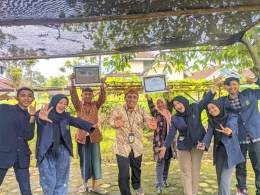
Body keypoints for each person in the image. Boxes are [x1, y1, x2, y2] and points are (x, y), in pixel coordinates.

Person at [159, 75, 223, 195]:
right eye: (175, 105)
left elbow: (205, 101)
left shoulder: (195, 108)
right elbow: (172, 132)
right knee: (186, 171)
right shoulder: (175, 117)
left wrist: (214, 86)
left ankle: (193, 193)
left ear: (183, 102)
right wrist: (165, 146)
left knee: (195, 170)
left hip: (198, 143)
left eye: (179, 103)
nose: (178, 106)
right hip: (183, 145)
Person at [35, 94, 106, 195]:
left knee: (62, 180)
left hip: (62, 151)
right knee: (48, 182)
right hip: (46, 152)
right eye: (60, 103)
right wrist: (40, 117)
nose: (62, 106)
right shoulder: (44, 114)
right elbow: (39, 118)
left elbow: (78, 122)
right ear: (54, 102)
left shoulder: (66, 116)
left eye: (65, 104)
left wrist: (93, 125)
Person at [109, 88, 157, 195]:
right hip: (121, 146)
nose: (132, 99)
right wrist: (114, 124)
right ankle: (125, 193)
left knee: (136, 168)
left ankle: (136, 185)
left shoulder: (141, 110)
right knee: (123, 174)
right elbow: (112, 120)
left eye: (134, 97)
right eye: (129, 97)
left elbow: (148, 120)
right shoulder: (118, 110)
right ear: (125, 98)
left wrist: (150, 125)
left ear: (137, 99)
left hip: (137, 146)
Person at [218, 76, 260, 195]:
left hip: (255, 135)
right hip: (239, 137)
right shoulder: (223, 101)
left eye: (234, 84)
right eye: (229, 85)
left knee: (258, 166)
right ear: (225, 87)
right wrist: (215, 86)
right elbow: (209, 104)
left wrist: (257, 80)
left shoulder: (250, 93)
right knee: (240, 166)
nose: (232, 87)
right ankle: (242, 190)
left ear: (238, 85)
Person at [197, 99, 244, 195]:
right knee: (220, 178)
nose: (211, 110)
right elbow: (208, 134)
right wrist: (203, 144)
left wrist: (229, 130)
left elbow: (232, 124)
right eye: (209, 109)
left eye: (213, 107)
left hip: (231, 153)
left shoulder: (232, 117)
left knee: (224, 179)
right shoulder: (212, 121)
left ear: (219, 106)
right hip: (219, 153)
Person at [70, 73, 107, 194]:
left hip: (94, 137)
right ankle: (84, 184)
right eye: (85, 94)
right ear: (82, 96)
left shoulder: (96, 104)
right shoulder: (78, 105)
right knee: (84, 161)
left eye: (89, 94)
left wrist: (102, 85)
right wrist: (73, 82)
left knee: (95, 160)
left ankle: (95, 186)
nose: (87, 96)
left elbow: (102, 98)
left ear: (92, 96)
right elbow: (73, 96)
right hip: (82, 137)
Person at [0, 87, 36, 195]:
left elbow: (28, 137)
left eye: (29, 96)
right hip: (3, 154)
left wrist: (33, 116)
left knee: (26, 190)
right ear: (16, 98)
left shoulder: (30, 116)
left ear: (33, 99)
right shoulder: (4, 109)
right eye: (23, 95)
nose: (26, 98)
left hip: (22, 156)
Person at [144, 88, 177, 194]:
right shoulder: (156, 113)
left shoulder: (168, 111)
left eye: (161, 102)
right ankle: (158, 184)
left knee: (167, 161)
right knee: (160, 162)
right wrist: (147, 94)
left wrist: (168, 93)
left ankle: (164, 179)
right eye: (158, 103)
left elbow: (170, 103)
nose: (159, 104)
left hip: (170, 141)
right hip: (159, 141)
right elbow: (150, 104)